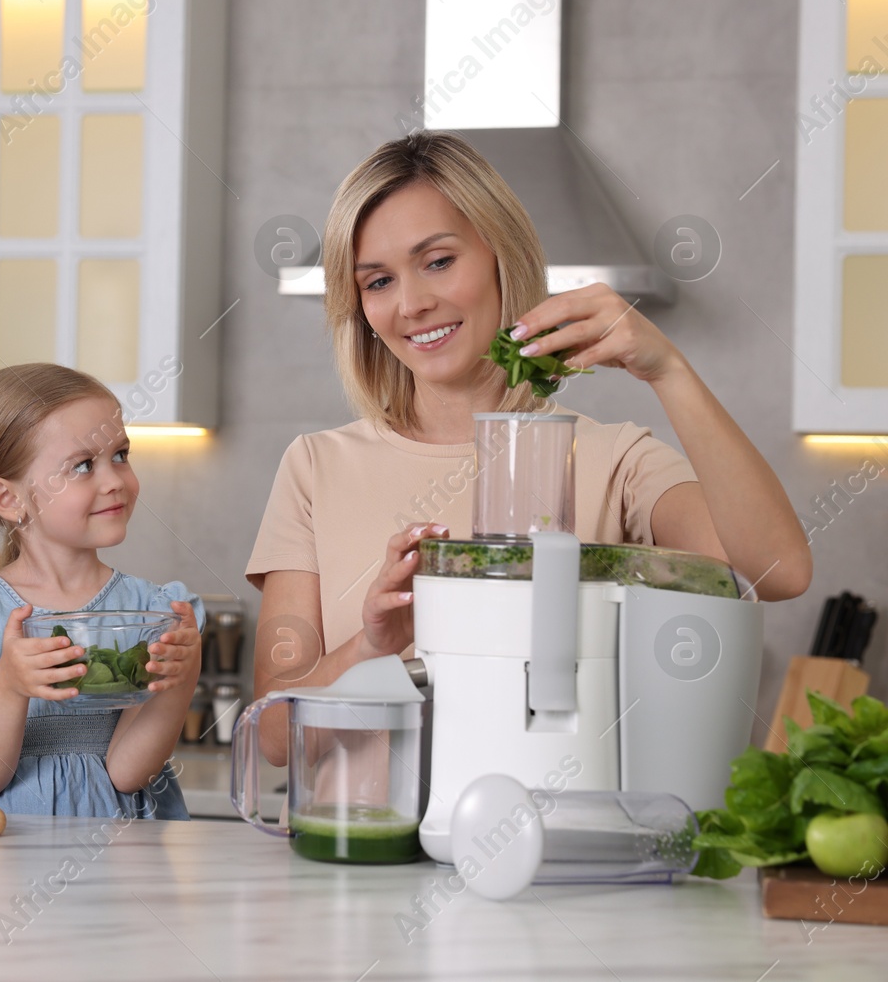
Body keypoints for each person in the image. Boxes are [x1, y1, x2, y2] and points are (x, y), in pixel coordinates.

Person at [247, 131, 812, 765]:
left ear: (500, 255)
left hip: (549, 848)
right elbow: (274, 740)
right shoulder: (315, 468)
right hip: (352, 856)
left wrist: (668, 371)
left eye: (438, 261)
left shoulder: (610, 460)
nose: (411, 303)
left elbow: (777, 570)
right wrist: (372, 649)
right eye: (377, 281)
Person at [0, 364, 202, 818]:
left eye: (120, 454)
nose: (115, 478)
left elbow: (126, 773)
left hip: (111, 851)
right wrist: (10, 687)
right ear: (8, 498)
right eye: (83, 465)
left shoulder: (153, 611)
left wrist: (180, 681)